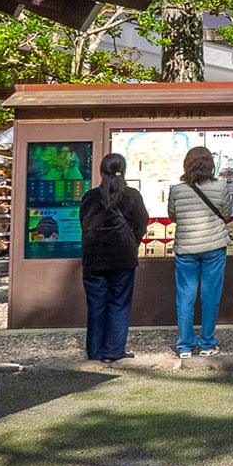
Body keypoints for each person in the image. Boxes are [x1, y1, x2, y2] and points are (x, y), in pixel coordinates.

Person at [79, 153, 144, 362]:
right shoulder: (132, 196)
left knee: (96, 306)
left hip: (94, 259)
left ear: (101, 171)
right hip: (122, 257)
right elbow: (142, 222)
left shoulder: (90, 197)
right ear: (123, 171)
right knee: (119, 304)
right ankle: (114, 350)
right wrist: (133, 243)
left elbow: (84, 223)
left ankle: (95, 352)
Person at [167, 146, 231, 359]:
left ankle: (185, 346)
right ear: (210, 165)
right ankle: (207, 344)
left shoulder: (177, 190)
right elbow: (227, 213)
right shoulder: (220, 186)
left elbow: (173, 216)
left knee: (185, 295)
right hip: (213, 247)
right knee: (210, 294)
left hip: (186, 248)